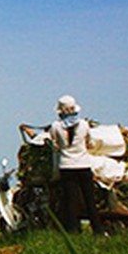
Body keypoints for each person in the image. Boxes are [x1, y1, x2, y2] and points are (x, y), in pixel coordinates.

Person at [49, 94, 100, 234]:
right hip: (84, 165)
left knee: (71, 201)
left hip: (67, 167)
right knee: (90, 200)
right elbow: (91, 143)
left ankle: (73, 230)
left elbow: (55, 146)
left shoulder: (55, 126)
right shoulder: (84, 124)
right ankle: (97, 230)